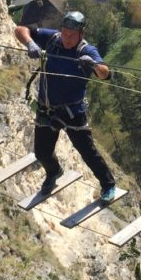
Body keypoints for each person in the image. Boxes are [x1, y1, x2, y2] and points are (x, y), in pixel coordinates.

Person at [14, 11, 117, 204]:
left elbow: (105, 73)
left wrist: (93, 65)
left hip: (72, 111)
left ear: (81, 34)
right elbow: (20, 29)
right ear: (61, 30)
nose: (67, 38)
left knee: (87, 151)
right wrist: (30, 43)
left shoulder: (87, 51)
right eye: (65, 33)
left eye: (72, 35)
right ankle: (54, 172)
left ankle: (108, 184)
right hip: (47, 107)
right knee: (41, 153)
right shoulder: (52, 39)